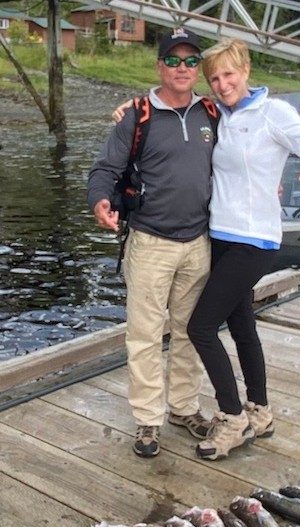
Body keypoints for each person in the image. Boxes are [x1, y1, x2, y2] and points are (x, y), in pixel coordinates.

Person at [187, 38, 300, 460]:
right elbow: (171, 108)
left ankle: (232, 418)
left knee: (200, 327)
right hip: (220, 236)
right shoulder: (215, 113)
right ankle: (260, 412)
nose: (222, 84)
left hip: (254, 240)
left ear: (246, 70)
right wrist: (131, 110)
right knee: (241, 325)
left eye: (228, 74)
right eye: (214, 77)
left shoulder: (273, 112)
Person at [86, 27, 217, 458]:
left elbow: (253, 141)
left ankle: (183, 407)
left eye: (191, 61)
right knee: (144, 335)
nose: (182, 68)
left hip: (199, 241)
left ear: (199, 68)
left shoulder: (213, 112)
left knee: (189, 332)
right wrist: (100, 200)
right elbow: (105, 169)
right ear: (159, 66)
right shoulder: (136, 116)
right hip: (149, 241)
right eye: (174, 61)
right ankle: (147, 418)